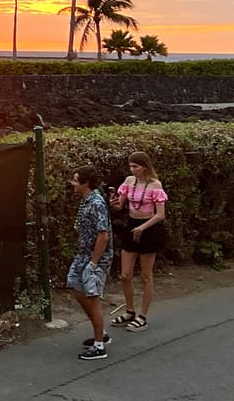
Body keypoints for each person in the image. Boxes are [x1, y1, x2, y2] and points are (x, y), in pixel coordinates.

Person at [108, 151, 168, 332]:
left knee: (145, 275)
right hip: (132, 225)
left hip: (148, 229)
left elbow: (160, 215)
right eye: (131, 166)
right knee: (125, 275)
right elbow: (120, 206)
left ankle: (143, 315)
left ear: (145, 166)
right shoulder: (128, 182)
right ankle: (129, 311)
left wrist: (143, 227)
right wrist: (114, 203)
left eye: (136, 166)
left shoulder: (155, 185)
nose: (133, 170)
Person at [68, 165, 113, 360]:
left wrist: (94, 263)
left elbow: (103, 235)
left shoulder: (96, 203)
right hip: (83, 254)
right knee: (77, 289)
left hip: (95, 257)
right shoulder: (86, 201)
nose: (72, 183)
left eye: (76, 180)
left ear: (85, 183)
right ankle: (100, 332)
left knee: (92, 297)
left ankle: (99, 345)